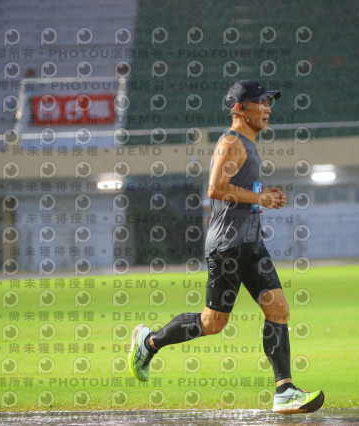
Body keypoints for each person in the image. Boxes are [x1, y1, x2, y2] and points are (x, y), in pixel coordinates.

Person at [128, 80, 324, 415]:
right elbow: (216, 188)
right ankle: (149, 342)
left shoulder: (248, 143)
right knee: (213, 323)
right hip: (228, 246)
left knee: (278, 310)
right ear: (239, 108)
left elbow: (239, 190)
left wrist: (264, 196)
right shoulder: (232, 142)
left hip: (251, 243)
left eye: (269, 102)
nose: (267, 108)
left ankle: (284, 391)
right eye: (261, 102)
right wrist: (260, 197)